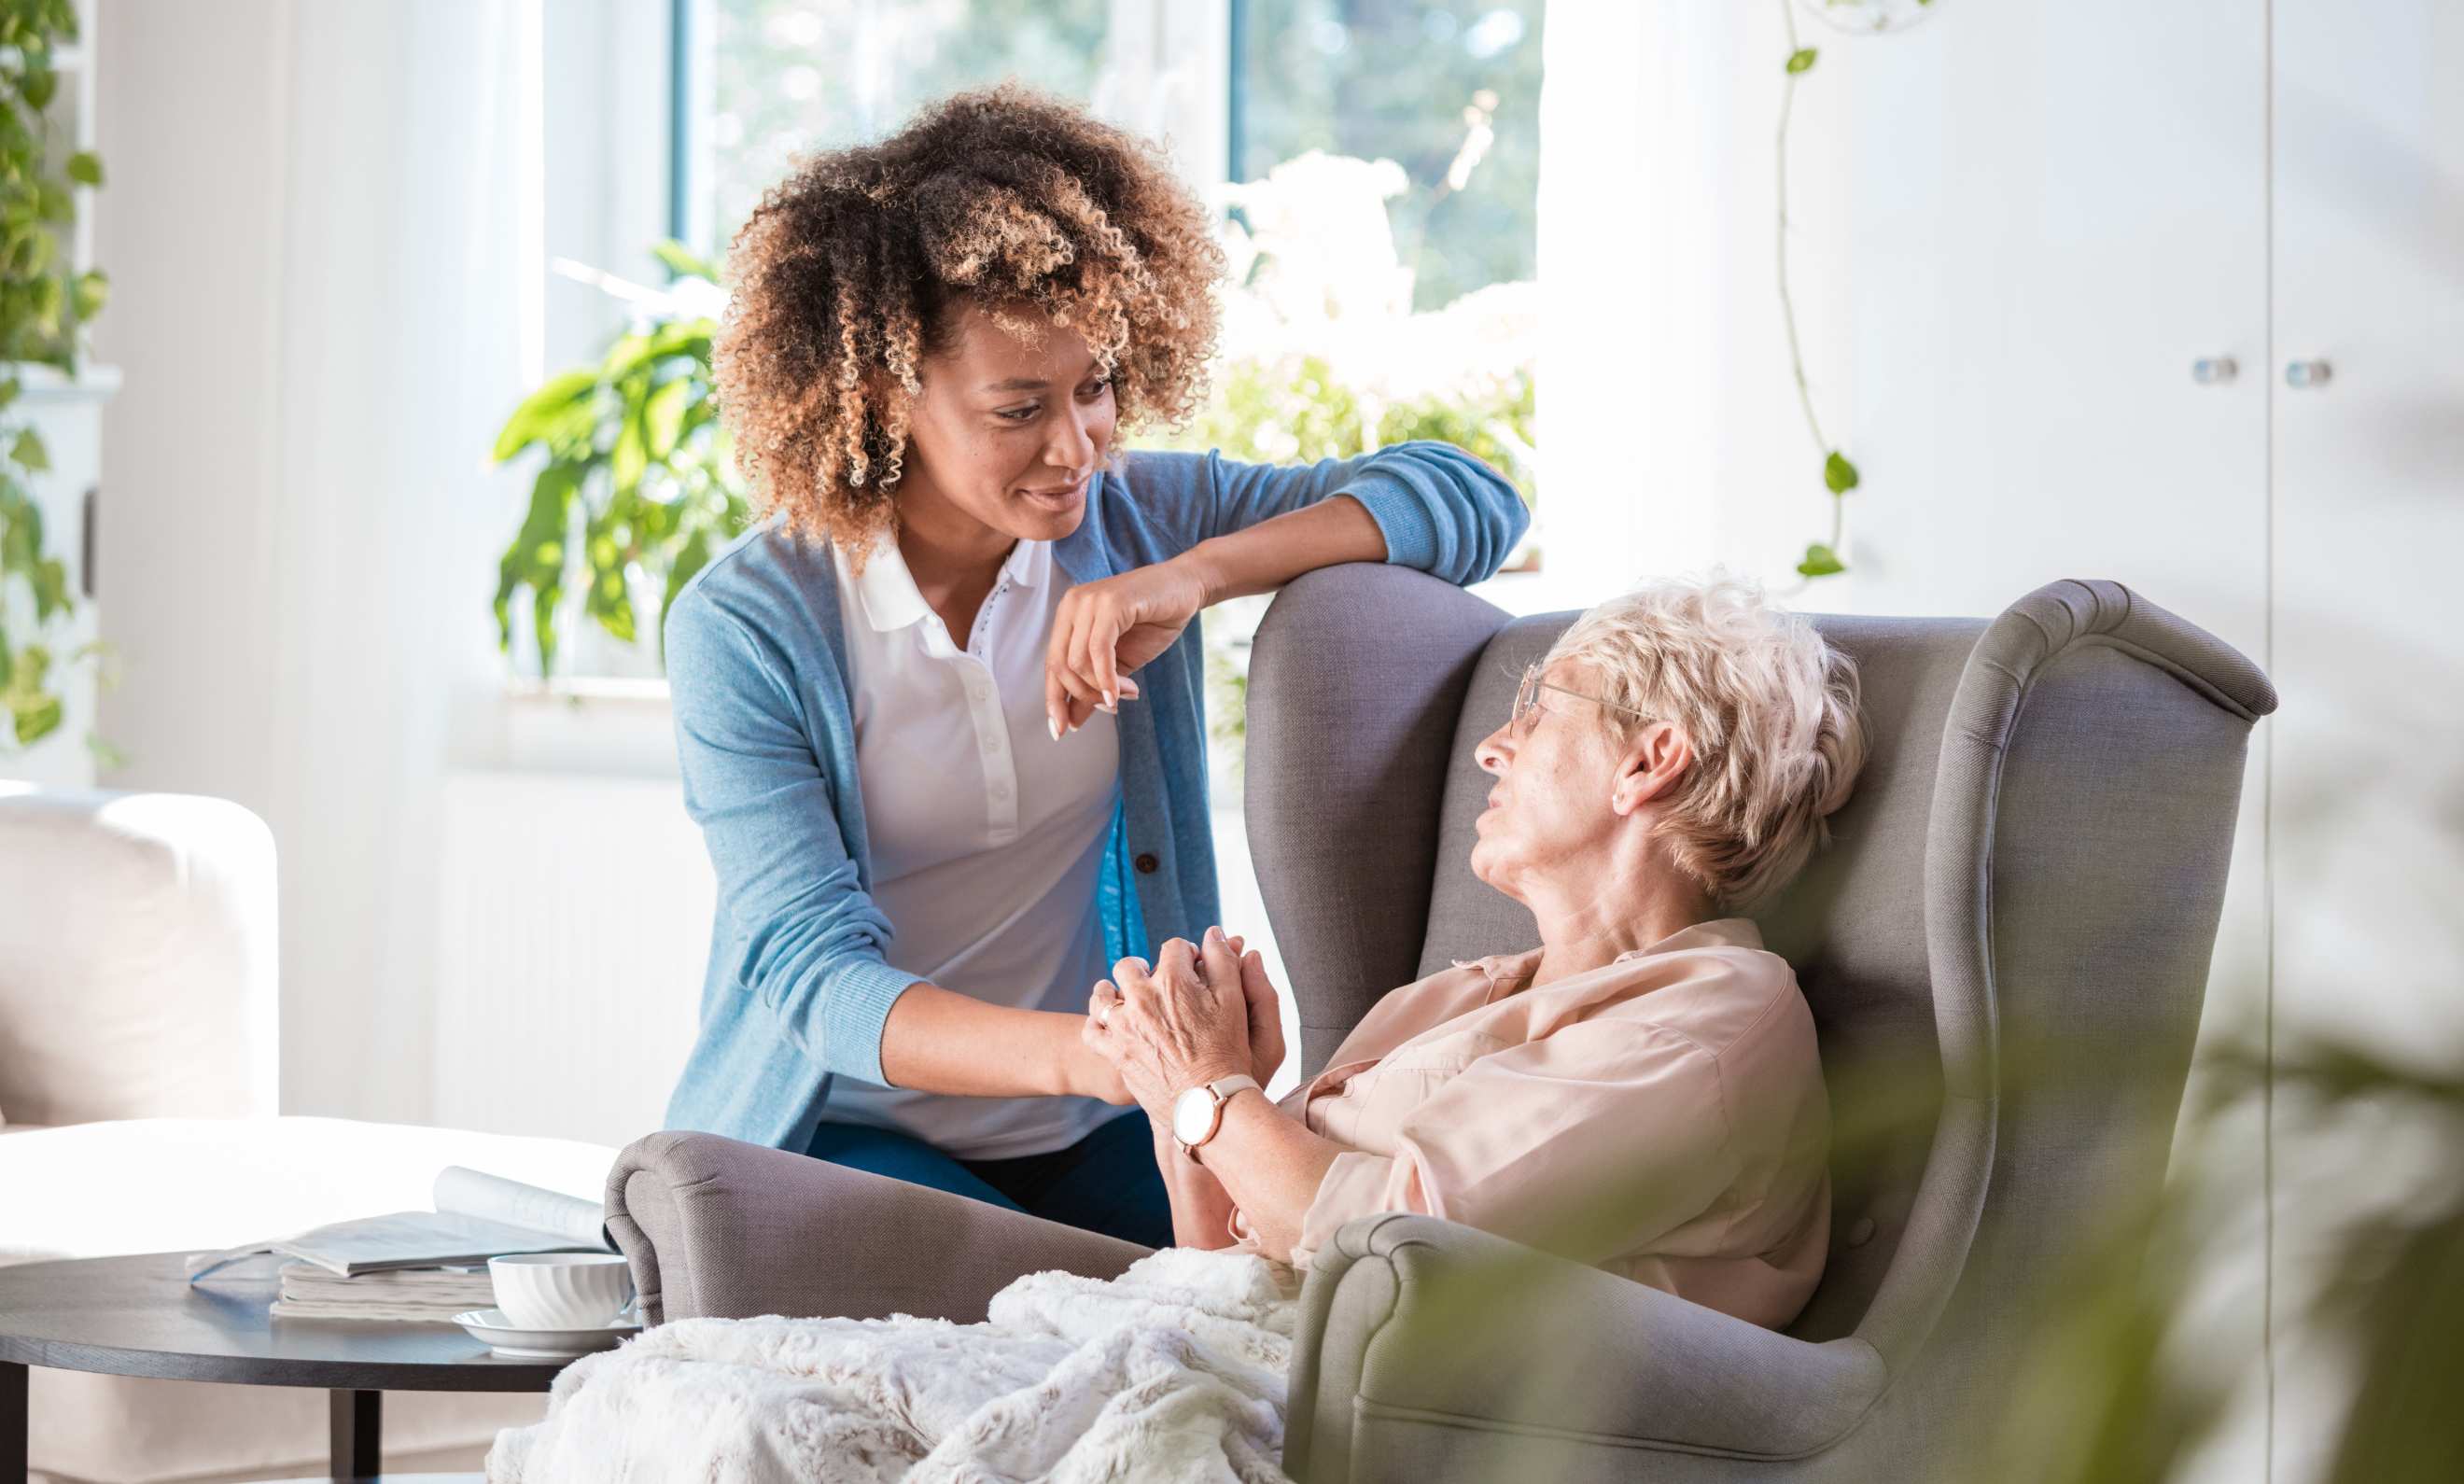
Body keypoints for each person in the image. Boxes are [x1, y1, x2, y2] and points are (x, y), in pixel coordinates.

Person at [660, 82, 1531, 1251]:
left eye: (1097, 386)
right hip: (847, 1130)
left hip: (1097, 1126)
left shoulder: (1135, 523)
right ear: (884, 394)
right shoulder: (752, 624)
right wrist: (1121, 1057)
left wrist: (1198, 575)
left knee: (1316, 1276)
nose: (1075, 448)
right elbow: (817, 983)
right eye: (1019, 408)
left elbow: (1472, 501)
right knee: (1051, 1309)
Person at [1086, 574, 1867, 1328]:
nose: (1493, 748)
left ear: (1647, 761)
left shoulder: (1709, 1020)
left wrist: (1208, 1088)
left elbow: (1393, 1256)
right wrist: (1178, 1091)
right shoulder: (1445, 999)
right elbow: (1216, 1266)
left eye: (1540, 712)